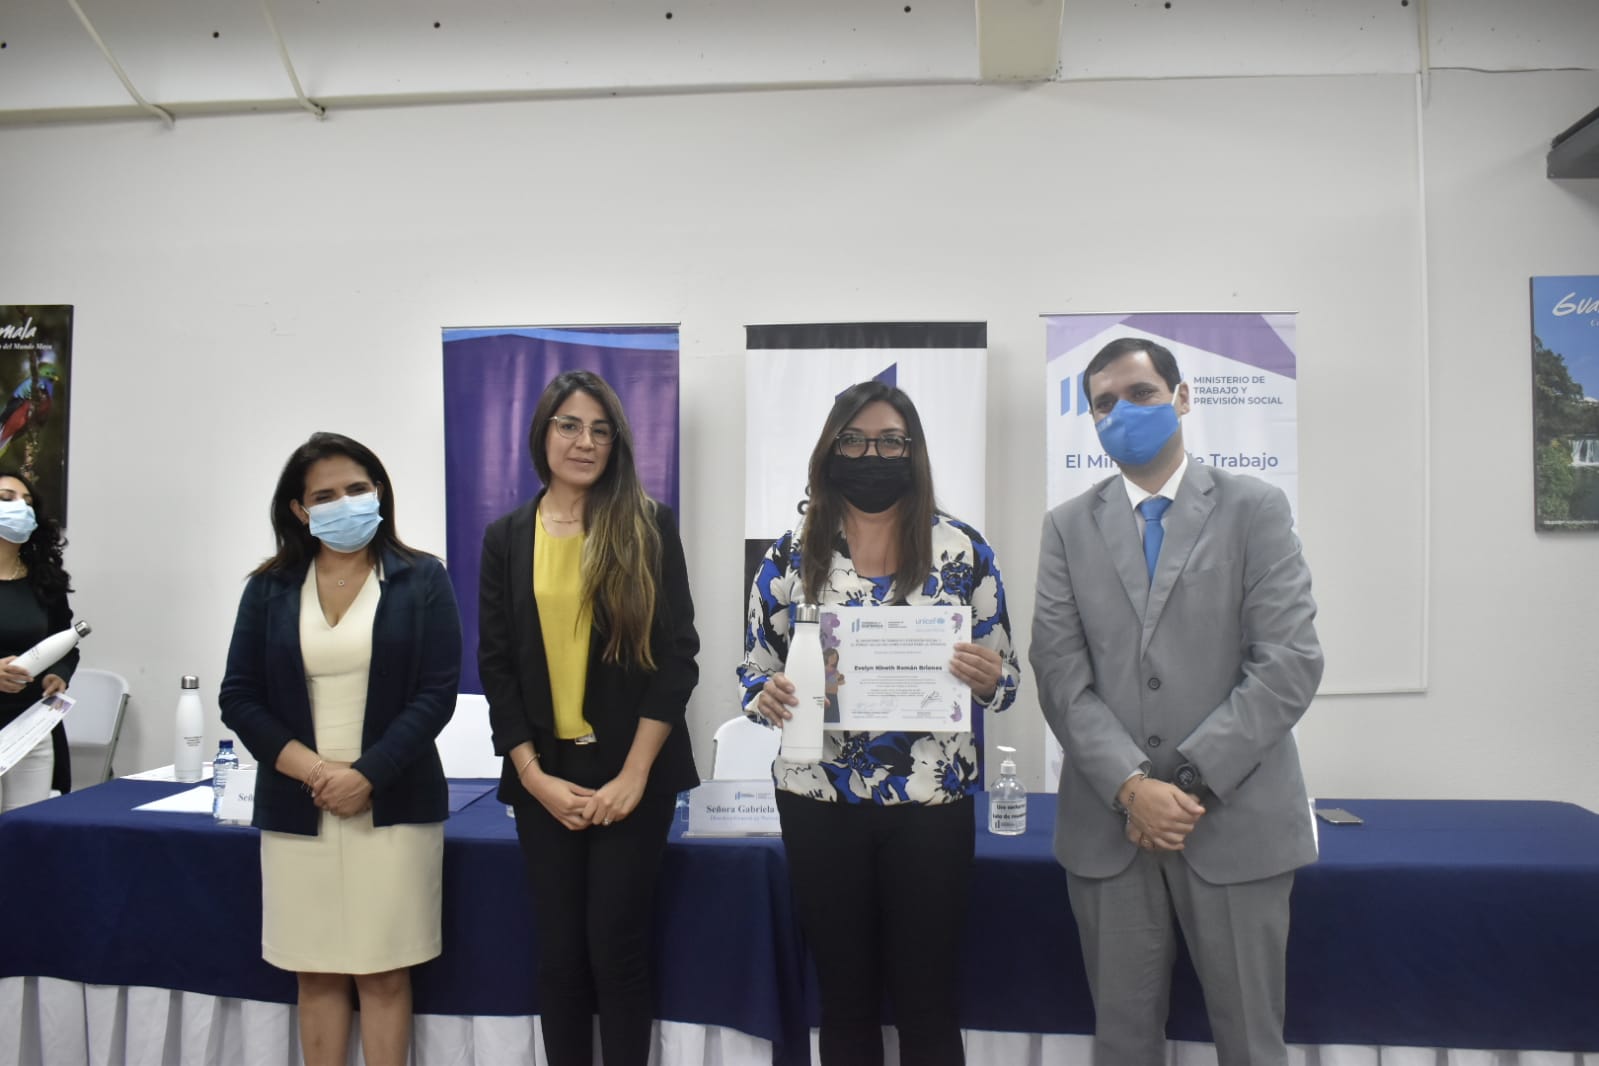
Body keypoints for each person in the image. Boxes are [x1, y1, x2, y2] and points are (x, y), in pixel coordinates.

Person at [1031, 337, 1324, 1066]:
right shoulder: (1066, 526)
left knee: (1252, 1046)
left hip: (1235, 822)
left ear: (1182, 397)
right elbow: (1059, 673)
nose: (1122, 413)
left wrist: (1184, 784)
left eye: (1141, 394)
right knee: (1122, 1045)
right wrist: (1132, 788)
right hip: (1111, 830)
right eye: (1104, 404)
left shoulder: (1254, 508)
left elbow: (1288, 662)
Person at [739, 381, 1020, 1066]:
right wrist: (765, 695)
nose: (873, 455)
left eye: (890, 441)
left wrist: (990, 679)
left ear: (912, 451)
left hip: (931, 805)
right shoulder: (788, 553)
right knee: (844, 1002)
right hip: (817, 798)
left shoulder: (964, 551)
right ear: (830, 449)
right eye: (855, 441)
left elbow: (1007, 679)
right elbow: (753, 670)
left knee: (928, 1002)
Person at [478, 369, 700, 1066]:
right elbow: (497, 667)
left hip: (633, 773)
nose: (585, 442)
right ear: (542, 433)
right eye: (570, 426)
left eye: (601, 430)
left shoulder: (647, 525)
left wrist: (634, 776)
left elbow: (678, 657)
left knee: (616, 950)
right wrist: (532, 776)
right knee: (560, 956)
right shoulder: (506, 537)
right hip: (545, 776)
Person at [219, 432, 460, 1066]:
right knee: (316, 970)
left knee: (384, 972)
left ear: (379, 491)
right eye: (324, 495)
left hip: (394, 800)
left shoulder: (422, 578)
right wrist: (319, 772)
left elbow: (437, 693)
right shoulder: (269, 588)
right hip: (299, 801)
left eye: (356, 488)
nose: (344, 503)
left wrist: (368, 774)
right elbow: (239, 697)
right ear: (300, 510)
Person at [0, 471, 78, 810]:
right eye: (7, 498)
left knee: (27, 829)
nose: (19, 507)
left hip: (31, 725)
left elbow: (66, 642)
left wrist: (59, 673)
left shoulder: (44, 579)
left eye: (27, 502)